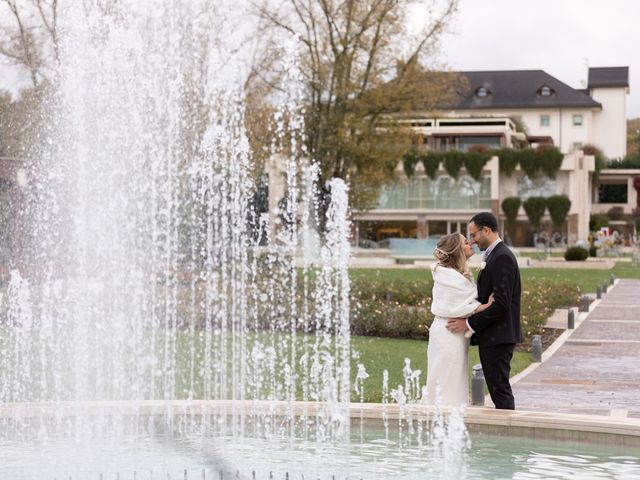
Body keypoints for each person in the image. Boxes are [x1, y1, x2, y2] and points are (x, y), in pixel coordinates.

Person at [446, 212, 522, 410]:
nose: (472, 240)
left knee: (500, 391)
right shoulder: (495, 255)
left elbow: (501, 304)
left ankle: (507, 437)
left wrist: (469, 324)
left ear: (486, 230)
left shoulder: (502, 257)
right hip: (494, 337)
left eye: (474, 235)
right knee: (498, 390)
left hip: (499, 337)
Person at [426, 232, 494, 407]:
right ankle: (445, 414)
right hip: (449, 331)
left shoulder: (456, 274)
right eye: (465, 242)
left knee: (454, 376)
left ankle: (452, 416)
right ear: (457, 250)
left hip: (452, 331)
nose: (470, 243)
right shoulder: (448, 276)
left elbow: (463, 302)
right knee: (446, 376)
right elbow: (458, 306)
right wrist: (485, 307)